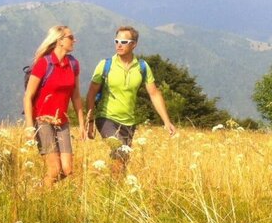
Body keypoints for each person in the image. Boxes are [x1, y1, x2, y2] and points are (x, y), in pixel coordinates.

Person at [85, 25, 176, 176]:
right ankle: (112, 190)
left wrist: (166, 121)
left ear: (134, 44)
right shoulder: (105, 65)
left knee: (123, 160)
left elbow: (154, 93)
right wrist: (90, 120)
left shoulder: (142, 67)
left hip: (129, 121)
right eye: (116, 41)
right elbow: (91, 93)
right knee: (120, 152)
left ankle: (113, 190)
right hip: (106, 118)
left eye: (124, 41)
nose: (119, 44)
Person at [23, 25, 85, 187]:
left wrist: (82, 124)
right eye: (71, 37)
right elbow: (28, 96)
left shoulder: (73, 64)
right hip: (42, 121)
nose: (74, 40)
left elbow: (76, 96)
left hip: (62, 122)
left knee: (67, 170)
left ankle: (39, 189)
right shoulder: (44, 64)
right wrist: (30, 126)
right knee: (54, 170)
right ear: (60, 41)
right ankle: (41, 200)